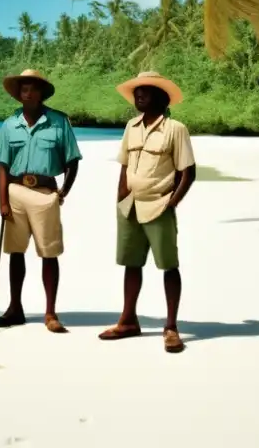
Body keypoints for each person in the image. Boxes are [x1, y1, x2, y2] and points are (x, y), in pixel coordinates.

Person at [98, 71, 196, 353]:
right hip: (129, 206)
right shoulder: (132, 126)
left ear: (161, 97)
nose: (138, 96)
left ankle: (171, 327)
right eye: (136, 92)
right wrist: (120, 199)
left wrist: (172, 203)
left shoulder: (175, 129)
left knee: (168, 266)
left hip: (159, 206)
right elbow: (124, 166)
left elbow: (188, 172)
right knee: (131, 264)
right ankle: (128, 320)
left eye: (145, 92)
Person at [0, 69, 82, 333]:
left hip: (45, 194)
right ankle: (14, 308)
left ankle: (50, 313)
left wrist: (63, 192)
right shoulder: (10, 124)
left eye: (32, 88)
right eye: (23, 88)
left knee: (48, 252)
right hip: (15, 191)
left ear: (41, 93)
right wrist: (2, 202)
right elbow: (2, 166)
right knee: (15, 252)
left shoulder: (58, 122)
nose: (27, 93)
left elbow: (72, 160)